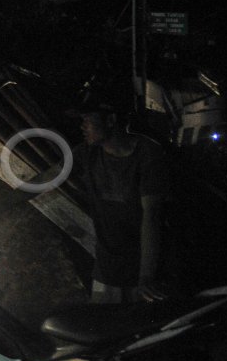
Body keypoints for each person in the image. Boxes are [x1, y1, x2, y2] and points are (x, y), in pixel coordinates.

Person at [71, 100, 168, 303]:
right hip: (107, 269)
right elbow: (48, 177)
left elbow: (151, 216)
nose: (82, 127)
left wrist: (146, 276)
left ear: (111, 120)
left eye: (87, 120)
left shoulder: (147, 154)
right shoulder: (88, 153)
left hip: (143, 270)